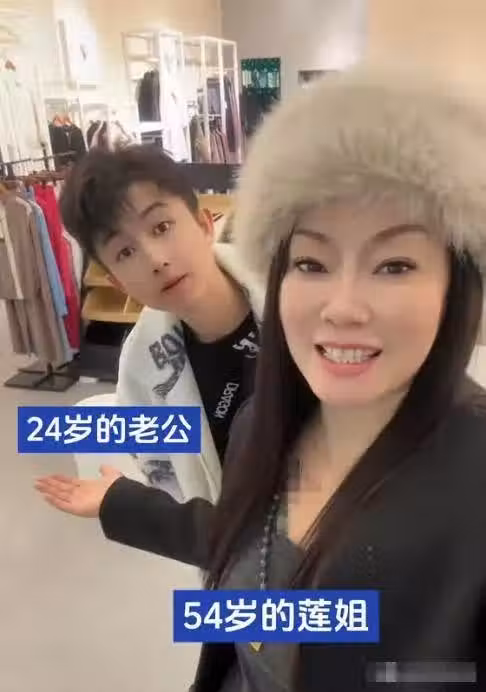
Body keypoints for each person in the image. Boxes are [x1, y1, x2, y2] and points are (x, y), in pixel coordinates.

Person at [36, 68, 486, 691]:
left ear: (204, 221)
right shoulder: (211, 396)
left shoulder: (465, 482)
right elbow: (240, 540)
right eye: (312, 263)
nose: (343, 306)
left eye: (395, 265)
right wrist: (124, 504)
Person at [57, 145, 264, 501]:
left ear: (204, 225)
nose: (155, 259)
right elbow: (170, 484)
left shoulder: (296, 296)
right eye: (125, 252)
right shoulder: (142, 366)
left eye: (161, 227)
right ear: (118, 283)